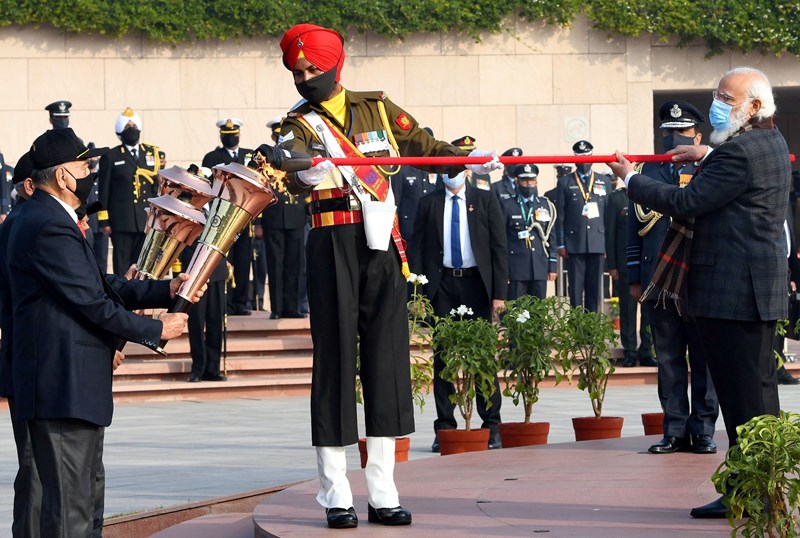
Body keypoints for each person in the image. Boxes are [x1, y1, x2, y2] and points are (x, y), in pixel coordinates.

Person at [268, 23, 501, 529]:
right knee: (334, 365)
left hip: (381, 246)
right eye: (297, 71)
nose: (304, 77)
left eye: (312, 69)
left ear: (336, 66)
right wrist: (296, 164)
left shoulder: (375, 108)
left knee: (387, 365)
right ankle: (335, 496)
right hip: (331, 246)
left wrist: (468, 159)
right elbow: (291, 165)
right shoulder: (297, 124)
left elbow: (422, 144)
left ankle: (383, 492)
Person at [609, 67, 790, 519]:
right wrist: (706, 151)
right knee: (757, 399)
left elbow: (686, 202)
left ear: (753, 107)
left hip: (732, 296)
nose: (716, 103)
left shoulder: (740, 153)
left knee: (743, 403)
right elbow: (732, 170)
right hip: (753, 293)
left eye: (726, 98)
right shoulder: (770, 141)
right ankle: (754, 488)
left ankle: (754, 495)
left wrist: (631, 180)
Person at [6, 127, 193, 536]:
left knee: (78, 501)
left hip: (65, 381)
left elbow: (95, 286)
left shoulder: (46, 217)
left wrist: (165, 288)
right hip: (61, 384)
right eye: (84, 165)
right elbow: (91, 303)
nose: (92, 171)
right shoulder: (47, 223)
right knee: (70, 511)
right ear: (61, 176)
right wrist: (156, 328)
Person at [626, 100, 719, 456]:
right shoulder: (646, 171)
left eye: (681, 133)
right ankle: (675, 429)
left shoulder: (712, 168)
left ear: (697, 135)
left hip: (699, 279)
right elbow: (631, 230)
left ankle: (704, 430)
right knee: (667, 359)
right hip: (659, 280)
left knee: (704, 360)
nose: (674, 140)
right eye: (668, 133)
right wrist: (635, 276)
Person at [411, 166, 508, 452]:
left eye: (455, 170)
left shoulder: (486, 199)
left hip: (476, 284)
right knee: (443, 356)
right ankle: (444, 426)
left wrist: (499, 294)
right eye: (445, 170)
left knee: (483, 357)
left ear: (466, 173)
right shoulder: (428, 202)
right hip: (442, 286)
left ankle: (491, 425)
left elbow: (499, 246)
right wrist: (418, 292)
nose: (450, 174)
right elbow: (417, 247)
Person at [0, 152, 41, 537]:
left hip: (28, 362)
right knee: (33, 464)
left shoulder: (20, 222)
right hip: (28, 362)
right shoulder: (20, 226)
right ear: (29, 186)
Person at [97, 107, 163, 276]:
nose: (131, 130)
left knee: (142, 263)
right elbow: (104, 190)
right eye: (127, 128)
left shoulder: (151, 154)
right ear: (120, 132)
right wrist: (104, 221)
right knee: (122, 263)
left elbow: (155, 187)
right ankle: (122, 299)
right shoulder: (111, 156)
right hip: (121, 221)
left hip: (145, 219)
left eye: (134, 126)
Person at [202, 118, 255, 316]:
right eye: (227, 135)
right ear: (221, 136)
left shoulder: (249, 156)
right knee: (224, 260)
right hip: (222, 217)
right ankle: (225, 302)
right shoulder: (212, 157)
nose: (231, 138)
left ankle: (241, 302)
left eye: (234, 135)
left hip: (244, 216)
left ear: (239, 135)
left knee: (243, 261)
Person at [257, 118, 308, 320]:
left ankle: (293, 307)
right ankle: (277, 308)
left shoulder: (298, 154)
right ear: (272, 137)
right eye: (277, 136)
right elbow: (258, 189)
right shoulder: (263, 157)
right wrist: (258, 222)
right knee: (275, 264)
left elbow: (306, 184)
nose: (280, 140)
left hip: (296, 215)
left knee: (295, 265)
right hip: (273, 216)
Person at [604, 174, 655, 368]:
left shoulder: (650, 196)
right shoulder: (616, 198)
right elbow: (610, 232)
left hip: (648, 262)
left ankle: (646, 351)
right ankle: (630, 351)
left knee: (648, 311)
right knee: (627, 310)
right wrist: (612, 266)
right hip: (624, 262)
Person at [555, 140, 610, 312]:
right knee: (576, 289)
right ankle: (577, 329)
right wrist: (562, 243)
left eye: (587, 156)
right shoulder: (565, 182)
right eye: (579, 157)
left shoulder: (604, 181)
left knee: (595, 289)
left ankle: (591, 329)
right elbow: (560, 216)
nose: (583, 160)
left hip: (597, 241)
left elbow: (608, 215)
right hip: (574, 243)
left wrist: (607, 244)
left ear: (592, 157)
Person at [500, 163, 556, 300]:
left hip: (539, 265)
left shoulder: (545, 205)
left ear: (536, 181)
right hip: (516, 267)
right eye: (525, 181)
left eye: (532, 181)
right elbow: (501, 238)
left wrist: (552, 266)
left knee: (538, 312)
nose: (529, 185)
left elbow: (551, 236)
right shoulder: (507, 205)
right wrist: (503, 269)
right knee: (515, 311)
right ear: (517, 182)